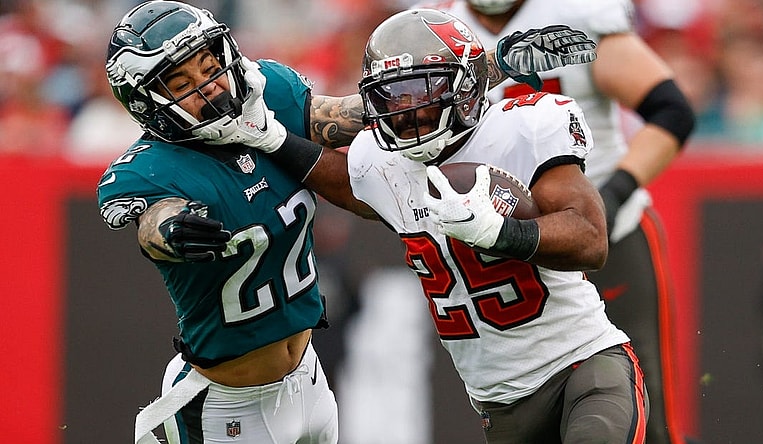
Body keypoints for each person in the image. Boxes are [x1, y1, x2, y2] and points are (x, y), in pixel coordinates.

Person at [96, 2, 596, 442]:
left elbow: (372, 109)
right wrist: (172, 230)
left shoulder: (268, 94)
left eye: (209, 67)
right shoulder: (150, 168)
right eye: (182, 84)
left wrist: (489, 65)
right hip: (225, 402)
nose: (209, 87)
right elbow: (153, 223)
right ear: (147, 102)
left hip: (309, 381)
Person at [205, 9, 650, 443]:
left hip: (583, 365)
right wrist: (273, 139)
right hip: (499, 403)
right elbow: (342, 182)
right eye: (391, 95)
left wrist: (499, 233)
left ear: (465, 89)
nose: (407, 109)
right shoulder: (382, 163)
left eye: (421, 90)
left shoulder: (521, 128)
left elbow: (591, 240)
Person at [417, 1, 697, 442]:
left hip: (602, 234)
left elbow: (671, 111)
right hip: (501, 249)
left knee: (646, 414)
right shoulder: (434, 27)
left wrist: (613, 194)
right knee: (528, 409)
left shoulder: (575, 12)